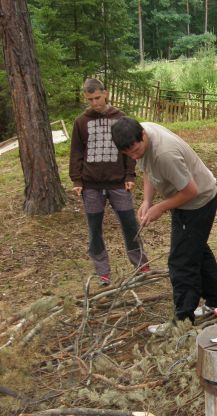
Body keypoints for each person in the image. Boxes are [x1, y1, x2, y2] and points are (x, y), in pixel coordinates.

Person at [110, 117, 217, 334]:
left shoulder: (165, 154)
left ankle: (182, 321)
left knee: (181, 261)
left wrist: (160, 207)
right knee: (196, 249)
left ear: (143, 136)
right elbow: (148, 170)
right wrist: (147, 201)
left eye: (136, 150)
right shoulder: (140, 136)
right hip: (188, 198)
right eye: (128, 154)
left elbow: (190, 191)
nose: (134, 155)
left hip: (198, 201)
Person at [69, 78, 149, 285]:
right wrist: (77, 179)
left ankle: (141, 265)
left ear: (105, 93)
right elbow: (76, 152)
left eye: (97, 98)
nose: (94, 103)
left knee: (130, 224)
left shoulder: (120, 118)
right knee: (94, 229)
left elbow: (130, 148)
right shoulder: (81, 121)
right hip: (91, 185)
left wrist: (130, 175)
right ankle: (102, 272)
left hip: (118, 183)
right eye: (90, 99)